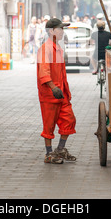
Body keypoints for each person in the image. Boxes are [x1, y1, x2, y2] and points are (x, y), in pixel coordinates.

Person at [37, 18, 77, 164]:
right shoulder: (45, 48)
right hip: (50, 94)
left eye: (62, 29)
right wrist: (53, 87)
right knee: (49, 125)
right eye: (59, 29)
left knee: (69, 120)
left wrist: (64, 90)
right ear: (51, 31)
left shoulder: (57, 48)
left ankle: (60, 149)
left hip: (62, 93)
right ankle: (49, 154)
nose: (62, 31)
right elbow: (44, 71)